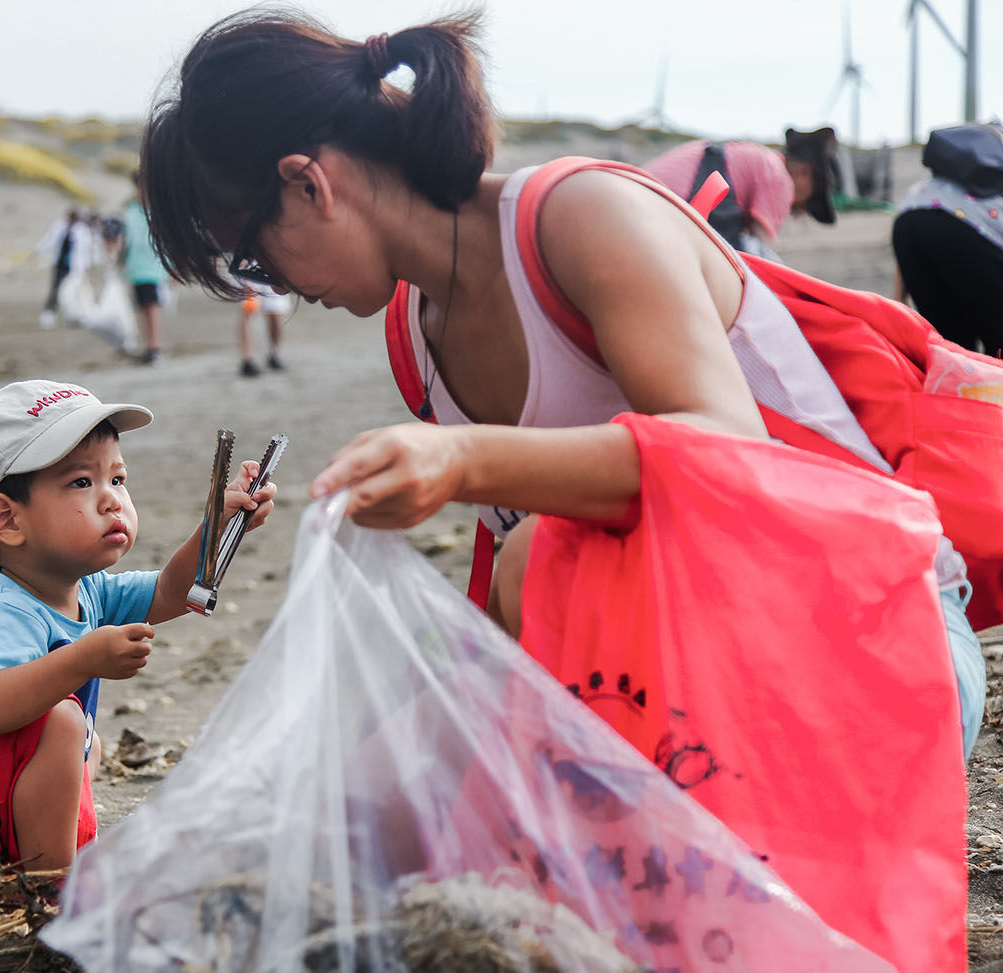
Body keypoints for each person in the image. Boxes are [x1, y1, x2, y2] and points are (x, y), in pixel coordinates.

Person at [137, 13, 981, 751]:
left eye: (252, 255)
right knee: (388, 761)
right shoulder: (415, 335)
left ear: (307, 181)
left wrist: (467, 460)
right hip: (695, 672)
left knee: (537, 553)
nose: (271, 285)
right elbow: (527, 626)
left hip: (882, 638)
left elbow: (730, 455)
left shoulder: (580, 218)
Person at [0, 379, 277, 876]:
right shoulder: (2, 609)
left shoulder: (87, 590)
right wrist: (84, 658)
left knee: (84, 735)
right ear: (7, 520)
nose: (112, 500)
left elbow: (170, 593)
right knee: (65, 722)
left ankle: (46, 859)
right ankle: (52, 887)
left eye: (118, 478)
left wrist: (216, 527)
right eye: (82, 483)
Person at [641, 127, 838, 259]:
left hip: (642, 193)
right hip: (667, 211)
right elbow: (763, 254)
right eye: (811, 199)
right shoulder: (780, 178)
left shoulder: (751, 156)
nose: (801, 209)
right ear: (803, 172)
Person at [891, 150, 1003, 356]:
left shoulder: (972, 162)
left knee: (950, 347)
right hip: (968, 225)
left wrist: (898, 298)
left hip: (909, 217)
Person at [121, 174, 168, 365]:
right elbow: (125, 240)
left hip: (153, 268)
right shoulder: (130, 212)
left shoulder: (158, 213)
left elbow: (166, 242)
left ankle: (154, 347)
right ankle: (149, 346)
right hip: (136, 268)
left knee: (152, 306)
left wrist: (171, 268)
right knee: (143, 307)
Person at [35, 210, 90, 326]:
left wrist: (84, 267)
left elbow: (85, 251)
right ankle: (49, 314)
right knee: (55, 290)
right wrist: (39, 250)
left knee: (72, 293)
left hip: (74, 267)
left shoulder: (82, 230)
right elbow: (49, 239)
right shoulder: (59, 226)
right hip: (60, 265)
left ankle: (74, 316)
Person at [238, 281, 290, 377]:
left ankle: (274, 354)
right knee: (248, 310)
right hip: (251, 269)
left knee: (276, 311)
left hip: (274, 271)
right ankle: (247, 359)